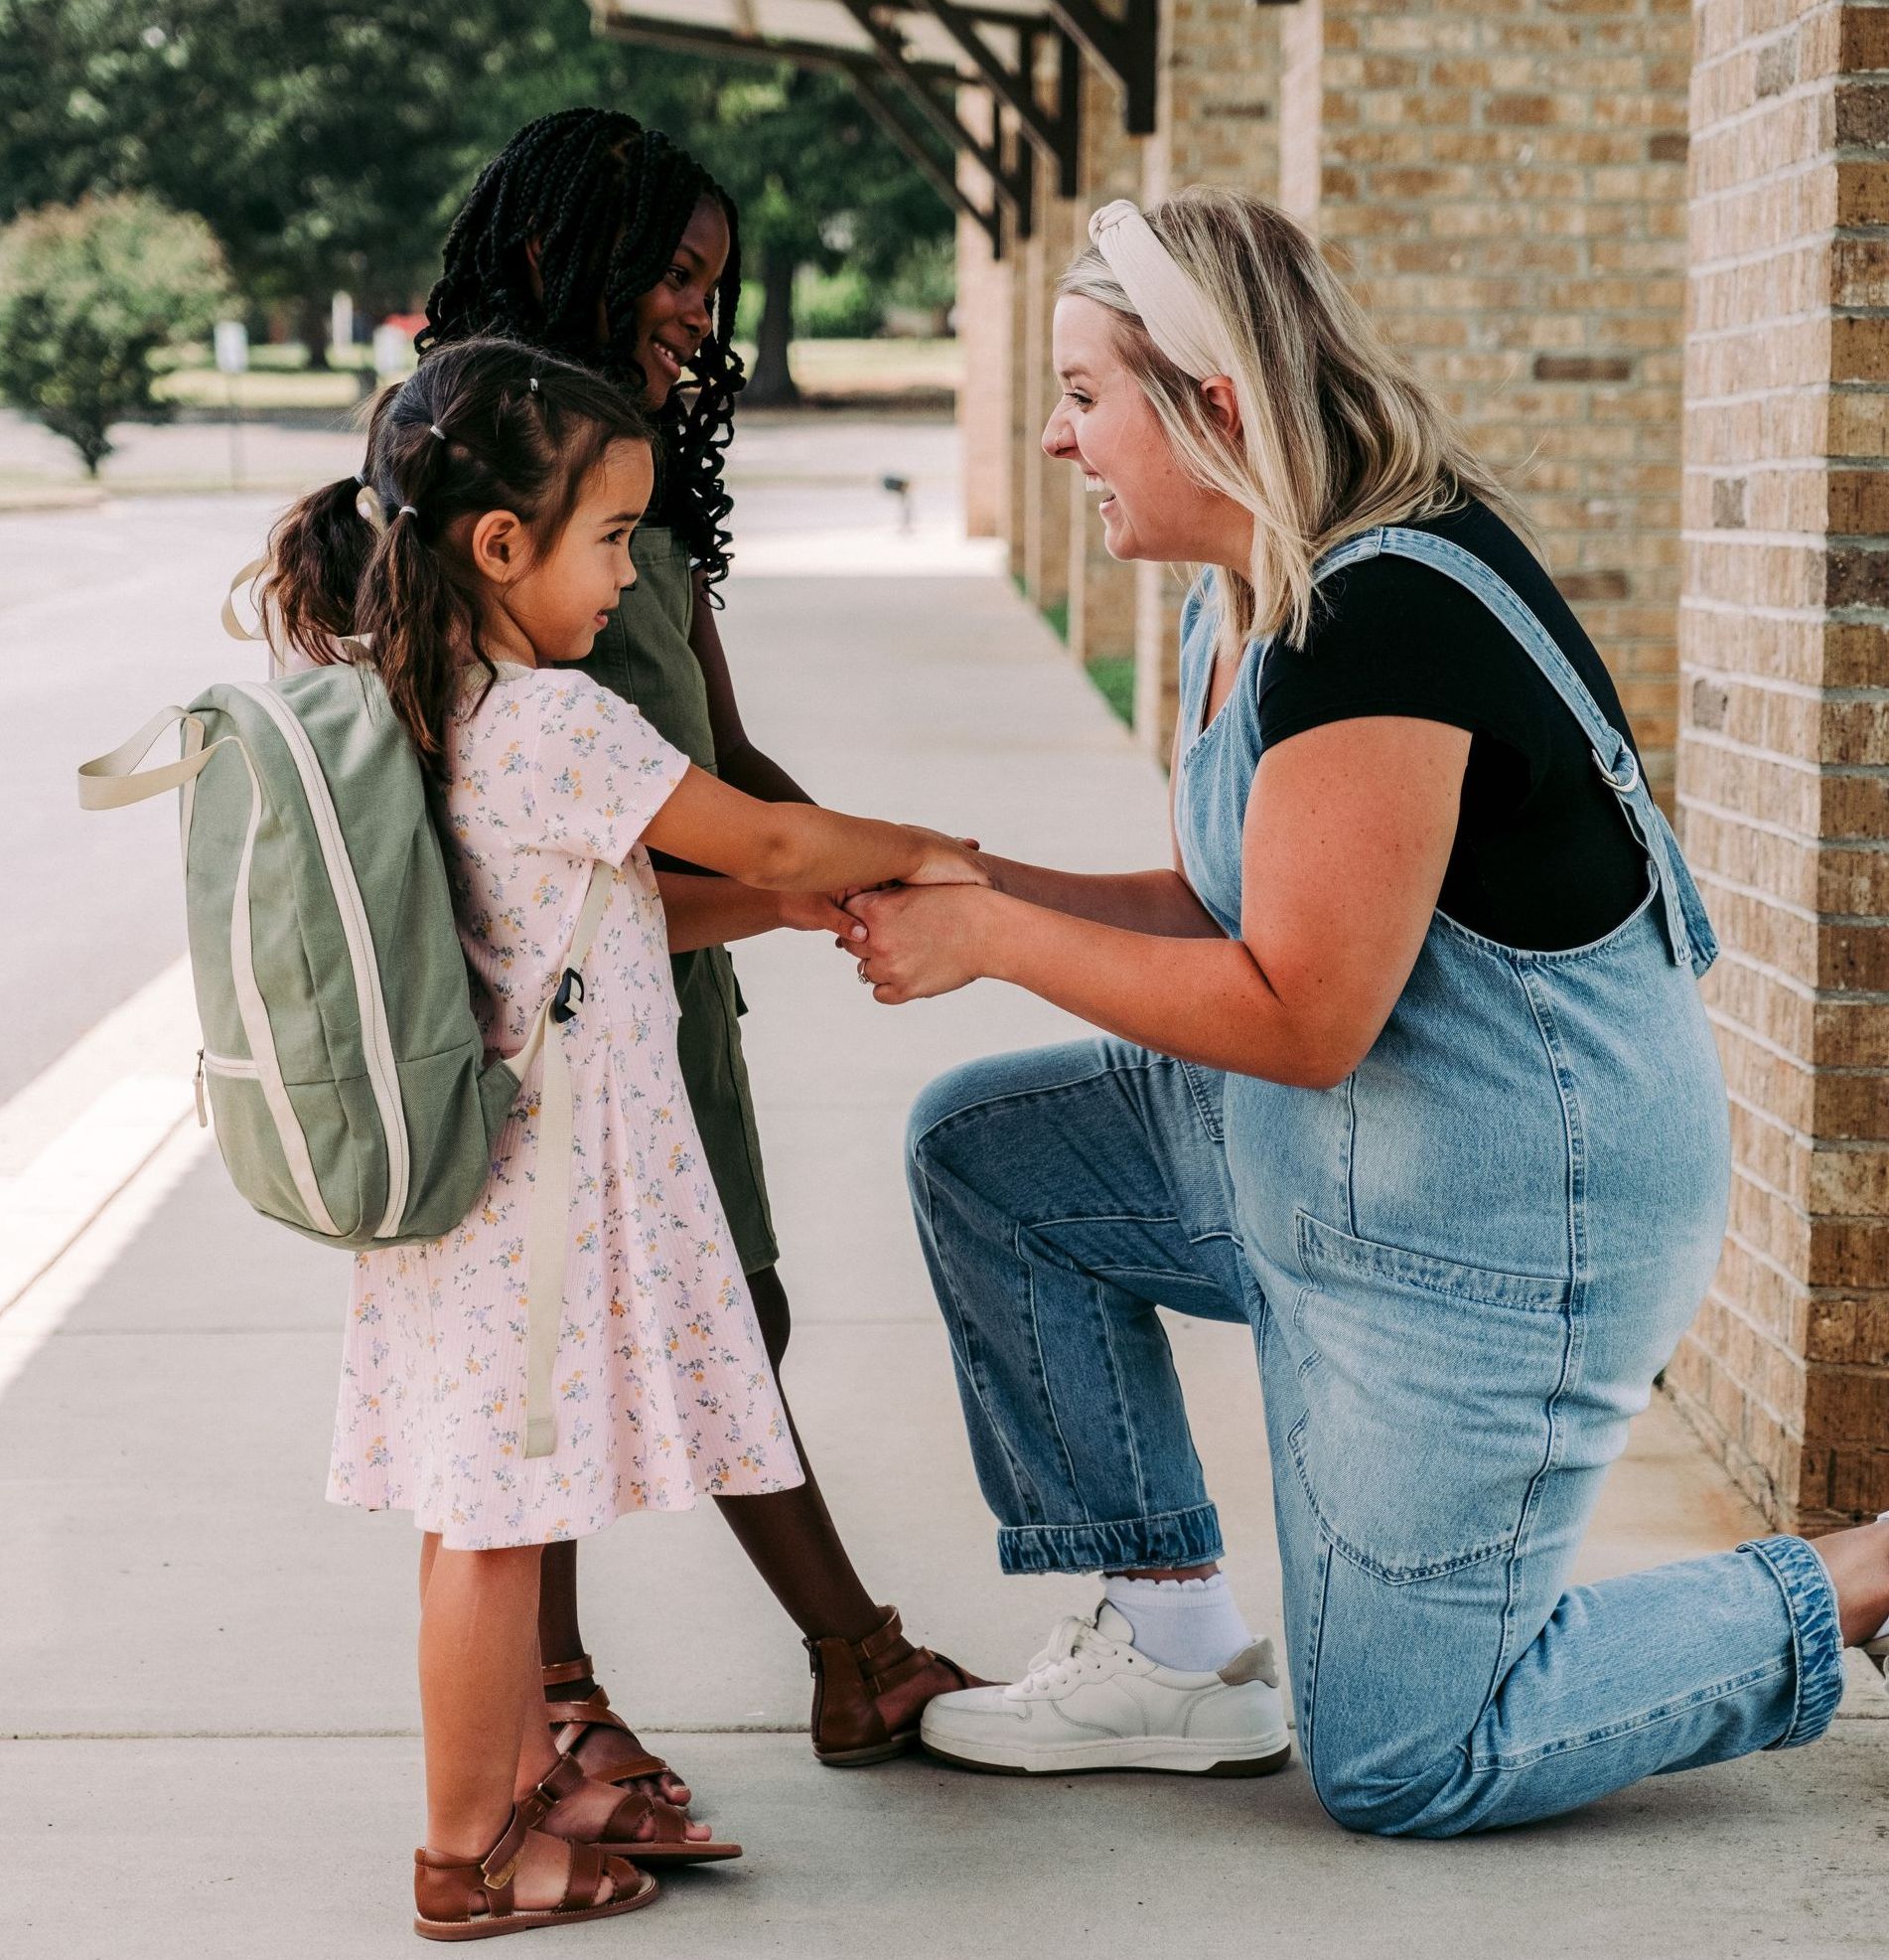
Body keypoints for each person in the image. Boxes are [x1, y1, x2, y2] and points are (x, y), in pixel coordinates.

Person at [843, 188, 1889, 1834]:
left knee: (1409, 1757)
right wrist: (968, 879)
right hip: (1340, 1159)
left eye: (1079, 393)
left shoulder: (1378, 614)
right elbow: (1227, 911)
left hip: (1498, 1228)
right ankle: (1174, 1654)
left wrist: (991, 937)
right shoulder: (1246, 586)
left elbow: (1302, 1010)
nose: (1057, 441)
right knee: (991, 1154)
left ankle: (1855, 1578)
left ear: (1218, 406)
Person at [266, 336, 986, 1934]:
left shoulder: (438, 693)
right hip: (532, 1206)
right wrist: (926, 850)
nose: (625, 577)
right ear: (500, 545)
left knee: (495, 1512)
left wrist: (784, 909)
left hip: (481, 1192)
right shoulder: (556, 724)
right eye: (608, 541)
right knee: (498, 1525)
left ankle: (516, 1793)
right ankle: (468, 1857)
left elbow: (601, 915)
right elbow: (771, 821)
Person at [418, 107, 979, 1798]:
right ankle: (639, 1686)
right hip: (564, 994)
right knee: (582, 1343)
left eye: (711, 286)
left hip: (681, 973)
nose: (696, 314)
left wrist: (861, 875)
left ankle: (826, 1660)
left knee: (732, 1307)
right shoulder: (476, 478)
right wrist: (879, 866)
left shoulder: (636, 491)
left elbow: (734, 767)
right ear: (549, 257)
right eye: (672, 275)